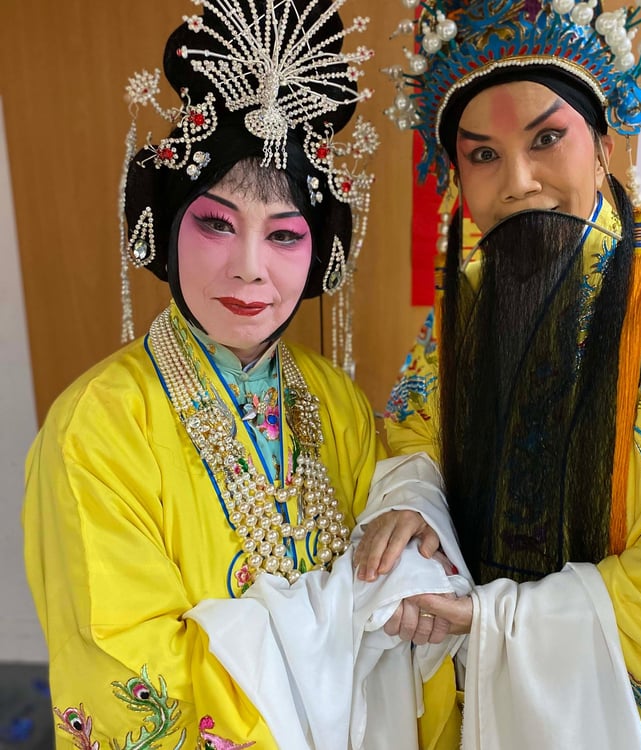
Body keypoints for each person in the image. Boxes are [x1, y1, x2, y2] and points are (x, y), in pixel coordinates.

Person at [22, 1, 464, 748]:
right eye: (216, 223)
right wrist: (351, 616)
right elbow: (130, 667)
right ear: (167, 225)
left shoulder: (336, 401)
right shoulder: (99, 427)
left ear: (319, 253)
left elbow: (403, 573)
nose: (250, 268)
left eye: (285, 235)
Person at [357, 0, 641, 747]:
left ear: (604, 147)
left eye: (547, 139)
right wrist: (413, 501)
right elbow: (412, 441)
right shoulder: (456, 318)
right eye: (483, 156)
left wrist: (497, 621)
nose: (518, 182)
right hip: (480, 697)